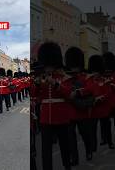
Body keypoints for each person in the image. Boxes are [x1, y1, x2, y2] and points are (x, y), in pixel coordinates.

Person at [33, 42, 72, 170]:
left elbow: (68, 94)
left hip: (61, 116)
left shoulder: (64, 77)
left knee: (65, 145)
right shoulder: (40, 78)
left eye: (49, 65)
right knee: (46, 149)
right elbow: (35, 96)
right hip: (45, 118)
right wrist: (37, 85)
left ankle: (67, 166)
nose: (48, 68)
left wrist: (55, 84)